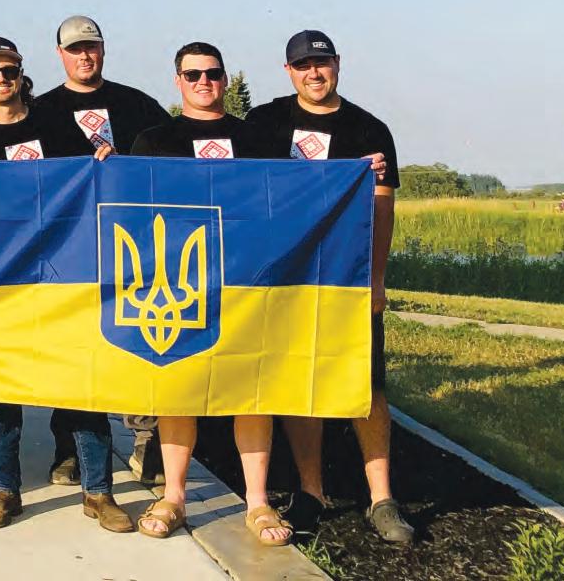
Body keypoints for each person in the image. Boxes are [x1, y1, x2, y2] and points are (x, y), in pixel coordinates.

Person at [0, 36, 130, 533]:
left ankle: (99, 492)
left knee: (82, 388)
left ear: (22, 75)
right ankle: (5, 490)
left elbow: (95, 192)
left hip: (68, 279)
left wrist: (106, 164)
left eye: (9, 71)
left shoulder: (58, 127)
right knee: (2, 395)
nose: (1, 80)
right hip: (2, 283)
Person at [248, 30, 413, 546]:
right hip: (286, 280)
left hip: (347, 280)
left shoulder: (369, 129)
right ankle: (311, 490)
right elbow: (242, 187)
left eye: (321, 63)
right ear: (288, 71)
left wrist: (377, 278)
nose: (313, 73)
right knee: (301, 381)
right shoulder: (266, 123)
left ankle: (381, 498)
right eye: (303, 66)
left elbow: (381, 207)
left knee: (369, 385)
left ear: (338, 64)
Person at [130, 42, 291, 547]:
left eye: (213, 74)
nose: (204, 82)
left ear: (224, 79)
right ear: (177, 81)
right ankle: (173, 495)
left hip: (247, 281)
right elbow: (131, 205)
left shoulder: (257, 137)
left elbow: (294, 194)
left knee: (252, 388)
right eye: (193, 74)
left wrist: (359, 171)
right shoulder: (154, 140)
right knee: (180, 387)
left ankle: (258, 501)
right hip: (177, 284)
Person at [32, 14, 175, 486]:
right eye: (74, 49)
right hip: (70, 252)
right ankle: (69, 448)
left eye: (91, 47)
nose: (84, 56)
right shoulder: (41, 112)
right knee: (74, 353)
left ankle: (146, 441)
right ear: (60, 54)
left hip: (134, 250)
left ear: (103, 49)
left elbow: (176, 162)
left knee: (137, 344)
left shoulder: (138, 105)